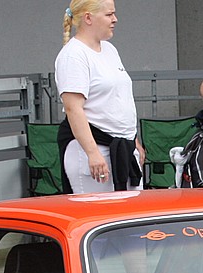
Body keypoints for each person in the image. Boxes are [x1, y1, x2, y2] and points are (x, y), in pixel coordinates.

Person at [55, 0, 143, 194]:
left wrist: (134, 140)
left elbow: (118, 99)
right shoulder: (73, 55)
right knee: (98, 210)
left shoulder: (110, 50)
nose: (115, 19)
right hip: (94, 149)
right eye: (109, 14)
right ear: (88, 18)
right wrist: (92, 153)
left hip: (123, 147)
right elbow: (73, 108)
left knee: (130, 210)